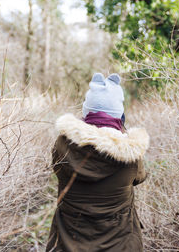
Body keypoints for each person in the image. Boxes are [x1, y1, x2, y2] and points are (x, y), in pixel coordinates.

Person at [46, 73, 149, 252]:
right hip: (121, 244)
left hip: (68, 242)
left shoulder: (63, 145)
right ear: (119, 115)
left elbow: (57, 168)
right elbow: (139, 178)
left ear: (87, 112)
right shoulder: (131, 152)